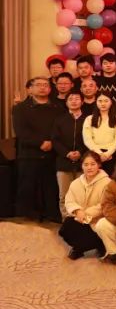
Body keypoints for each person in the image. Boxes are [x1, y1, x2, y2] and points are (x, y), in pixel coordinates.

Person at [14, 77, 61, 222]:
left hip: (52, 152)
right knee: (28, 186)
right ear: (30, 89)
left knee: (51, 186)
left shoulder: (58, 107)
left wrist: (52, 142)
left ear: (50, 89)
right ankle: (29, 215)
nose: (42, 87)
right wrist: (40, 143)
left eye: (46, 85)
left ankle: (51, 214)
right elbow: (21, 131)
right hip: (29, 153)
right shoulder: (20, 108)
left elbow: (61, 128)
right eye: (38, 85)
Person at [59, 152, 109, 259]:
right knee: (66, 227)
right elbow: (69, 201)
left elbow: (105, 204)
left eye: (93, 164)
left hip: (98, 220)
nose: (89, 167)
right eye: (86, 164)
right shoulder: (76, 183)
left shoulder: (107, 182)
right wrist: (77, 210)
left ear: (99, 165)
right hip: (80, 218)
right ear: (81, 166)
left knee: (102, 228)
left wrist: (85, 214)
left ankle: (101, 244)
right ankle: (79, 248)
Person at [53, 93, 87, 219]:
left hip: (83, 163)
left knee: (82, 195)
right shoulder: (59, 119)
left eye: (77, 99)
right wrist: (67, 153)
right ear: (66, 102)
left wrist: (80, 152)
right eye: (70, 99)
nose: (74, 101)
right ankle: (66, 221)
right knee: (64, 195)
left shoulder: (88, 119)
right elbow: (55, 140)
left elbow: (91, 139)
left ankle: (81, 221)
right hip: (63, 162)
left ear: (82, 102)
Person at [83, 93, 116, 175]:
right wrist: (100, 154)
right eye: (100, 101)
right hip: (95, 154)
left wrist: (107, 154)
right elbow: (87, 139)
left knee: (112, 179)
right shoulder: (89, 119)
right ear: (96, 102)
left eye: (106, 101)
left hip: (112, 154)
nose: (103, 103)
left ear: (111, 102)